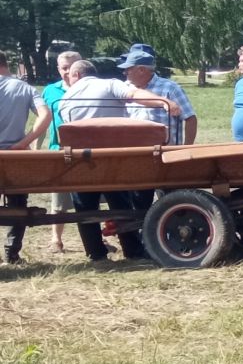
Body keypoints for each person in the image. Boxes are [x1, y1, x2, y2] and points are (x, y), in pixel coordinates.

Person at [60, 57, 185, 261]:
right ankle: (133, 251)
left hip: (81, 162)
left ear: (77, 75)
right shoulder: (109, 84)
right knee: (120, 204)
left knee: (85, 206)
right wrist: (165, 103)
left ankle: (95, 253)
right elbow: (136, 95)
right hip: (112, 160)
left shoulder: (66, 97)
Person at [0, 51, 53, 265]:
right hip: (14, 157)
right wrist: (25, 142)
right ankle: (12, 252)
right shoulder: (24, 88)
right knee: (18, 204)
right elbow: (45, 115)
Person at [32, 51, 86, 254]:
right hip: (59, 150)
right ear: (58, 69)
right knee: (59, 198)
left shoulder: (91, 88)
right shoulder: (50, 91)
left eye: (72, 67)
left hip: (87, 150)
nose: (67, 72)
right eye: (64, 68)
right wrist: (37, 148)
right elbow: (44, 121)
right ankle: (56, 239)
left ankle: (95, 237)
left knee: (90, 196)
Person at [119, 45, 196, 146]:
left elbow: (190, 119)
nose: (124, 73)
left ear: (141, 70)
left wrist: (187, 148)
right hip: (133, 152)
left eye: (128, 69)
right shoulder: (124, 89)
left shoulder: (171, 88)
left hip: (165, 154)